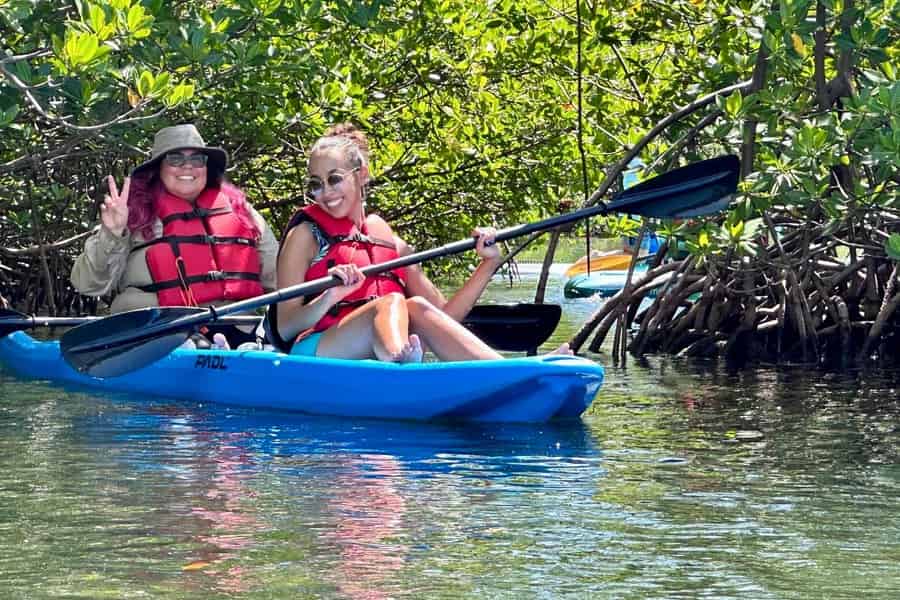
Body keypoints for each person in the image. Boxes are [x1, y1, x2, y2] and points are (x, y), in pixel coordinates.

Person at [269, 123, 571, 362]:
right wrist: (330, 297)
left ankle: (513, 372)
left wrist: (488, 263)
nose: (325, 192)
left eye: (334, 179)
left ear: (360, 175)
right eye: (315, 185)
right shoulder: (306, 235)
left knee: (416, 306)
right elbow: (285, 327)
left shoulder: (393, 246)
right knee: (388, 304)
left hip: (377, 351)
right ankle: (403, 365)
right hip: (316, 351)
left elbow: (443, 319)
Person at [71, 124, 278, 348]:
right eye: (175, 159)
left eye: (197, 159)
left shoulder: (242, 212)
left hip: (236, 328)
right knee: (188, 344)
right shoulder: (130, 215)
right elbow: (87, 284)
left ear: (206, 167)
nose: (187, 166)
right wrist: (112, 234)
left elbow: (280, 279)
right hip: (157, 331)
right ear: (158, 168)